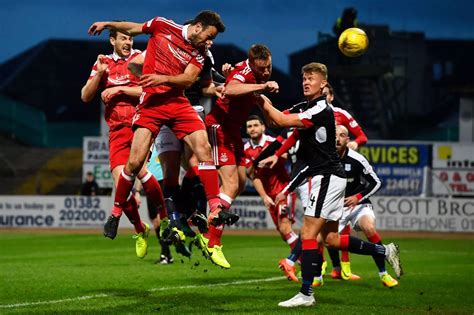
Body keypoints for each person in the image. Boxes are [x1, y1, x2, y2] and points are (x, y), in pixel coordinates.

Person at [256, 62, 402, 307]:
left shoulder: (320, 109)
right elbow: (273, 121)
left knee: (308, 234)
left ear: (323, 84)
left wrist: (255, 91)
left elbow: (280, 120)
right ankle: (385, 251)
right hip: (328, 177)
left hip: (326, 177)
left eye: (311, 78)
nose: (305, 81)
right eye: (303, 77)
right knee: (332, 239)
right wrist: (256, 95)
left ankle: (306, 294)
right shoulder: (306, 106)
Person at [88, 11, 239, 239]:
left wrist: (163, 78)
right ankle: (116, 213)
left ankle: (215, 207)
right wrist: (107, 23)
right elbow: (134, 27)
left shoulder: (201, 53)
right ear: (198, 27)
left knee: (203, 148)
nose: (210, 41)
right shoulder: (163, 25)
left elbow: (189, 80)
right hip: (151, 103)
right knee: (135, 162)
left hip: (178, 102)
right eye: (209, 35)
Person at [81, 28, 166, 259]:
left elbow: (149, 90)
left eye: (130, 38)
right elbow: (85, 96)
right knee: (121, 185)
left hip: (141, 125)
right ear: (113, 40)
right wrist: (99, 76)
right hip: (116, 131)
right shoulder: (104, 64)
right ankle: (140, 229)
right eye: (124, 38)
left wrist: (119, 88)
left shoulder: (139, 59)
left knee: (142, 172)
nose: (128, 42)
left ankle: (165, 218)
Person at [194, 44, 279, 269]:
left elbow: (258, 98)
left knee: (240, 183)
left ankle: (208, 220)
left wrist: (268, 106)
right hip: (219, 127)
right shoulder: (246, 73)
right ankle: (212, 241)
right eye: (262, 69)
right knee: (230, 184)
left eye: (268, 67)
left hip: (233, 132)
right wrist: (262, 85)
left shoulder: (252, 75)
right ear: (252, 65)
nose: (266, 72)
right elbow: (231, 89)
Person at [331, 124, 399, 287]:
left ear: (348, 140)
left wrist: (358, 197)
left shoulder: (357, 159)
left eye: (342, 135)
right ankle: (323, 274)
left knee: (369, 228)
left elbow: (377, 182)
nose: (337, 138)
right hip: (335, 206)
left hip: (358, 204)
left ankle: (384, 274)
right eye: (334, 135)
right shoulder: (325, 158)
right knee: (328, 239)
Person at [244, 115, 298, 249]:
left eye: (256, 125)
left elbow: (291, 156)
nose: (252, 129)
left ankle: (304, 262)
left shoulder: (273, 143)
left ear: (263, 127)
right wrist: (264, 196)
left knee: (285, 227)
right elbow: (253, 176)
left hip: (284, 190)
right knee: (283, 232)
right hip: (269, 195)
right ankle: (310, 256)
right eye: (249, 126)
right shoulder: (245, 150)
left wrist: (281, 155)